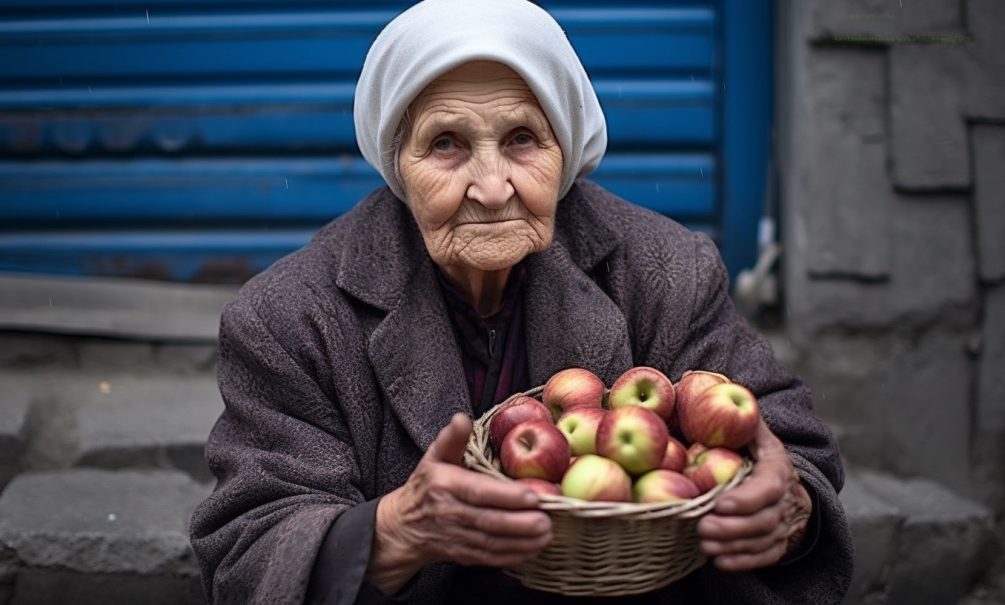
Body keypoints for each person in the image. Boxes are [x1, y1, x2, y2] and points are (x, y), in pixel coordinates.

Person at [189, 0, 853, 603]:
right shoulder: (289, 317)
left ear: (563, 153)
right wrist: (394, 529)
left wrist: (786, 505)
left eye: (521, 140)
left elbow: (785, 440)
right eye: (445, 143)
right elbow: (251, 540)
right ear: (398, 162)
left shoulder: (666, 272)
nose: (490, 185)